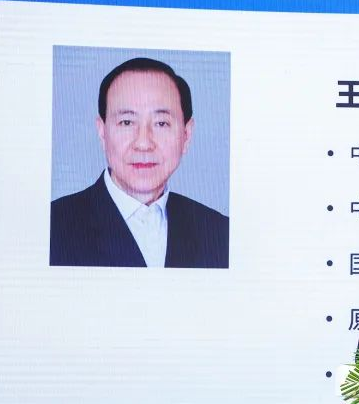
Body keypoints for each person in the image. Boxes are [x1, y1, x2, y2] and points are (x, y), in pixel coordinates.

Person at [50, 57, 229, 268]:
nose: (143, 143)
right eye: (126, 122)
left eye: (161, 123)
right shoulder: (53, 227)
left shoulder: (219, 233)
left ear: (186, 135)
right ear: (102, 132)